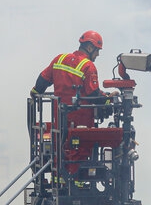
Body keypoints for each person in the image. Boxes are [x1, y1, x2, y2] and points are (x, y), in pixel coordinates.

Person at [31, 30, 115, 178]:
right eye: (97, 50)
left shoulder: (59, 59)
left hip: (59, 120)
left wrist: (35, 92)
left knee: (59, 150)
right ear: (89, 47)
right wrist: (108, 99)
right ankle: (76, 181)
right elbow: (93, 95)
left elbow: (42, 80)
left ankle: (59, 178)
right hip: (81, 122)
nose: (97, 54)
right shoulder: (88, 66)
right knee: (79, 153)